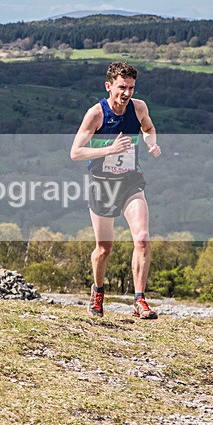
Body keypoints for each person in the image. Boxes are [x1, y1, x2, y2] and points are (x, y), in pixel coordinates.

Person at [70, 61, 161, 319]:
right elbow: (75, 152)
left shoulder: (139, 107)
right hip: (102, 184)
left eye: (131, 87)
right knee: (104, 249)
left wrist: (151, 143)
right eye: (122, 87)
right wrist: (108, 150)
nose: (127, 93)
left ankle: (139, 300)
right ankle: (98, 292)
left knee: (142, 238)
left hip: (130, 181)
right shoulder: (96, 114)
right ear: (109, 86)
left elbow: (149, 128)